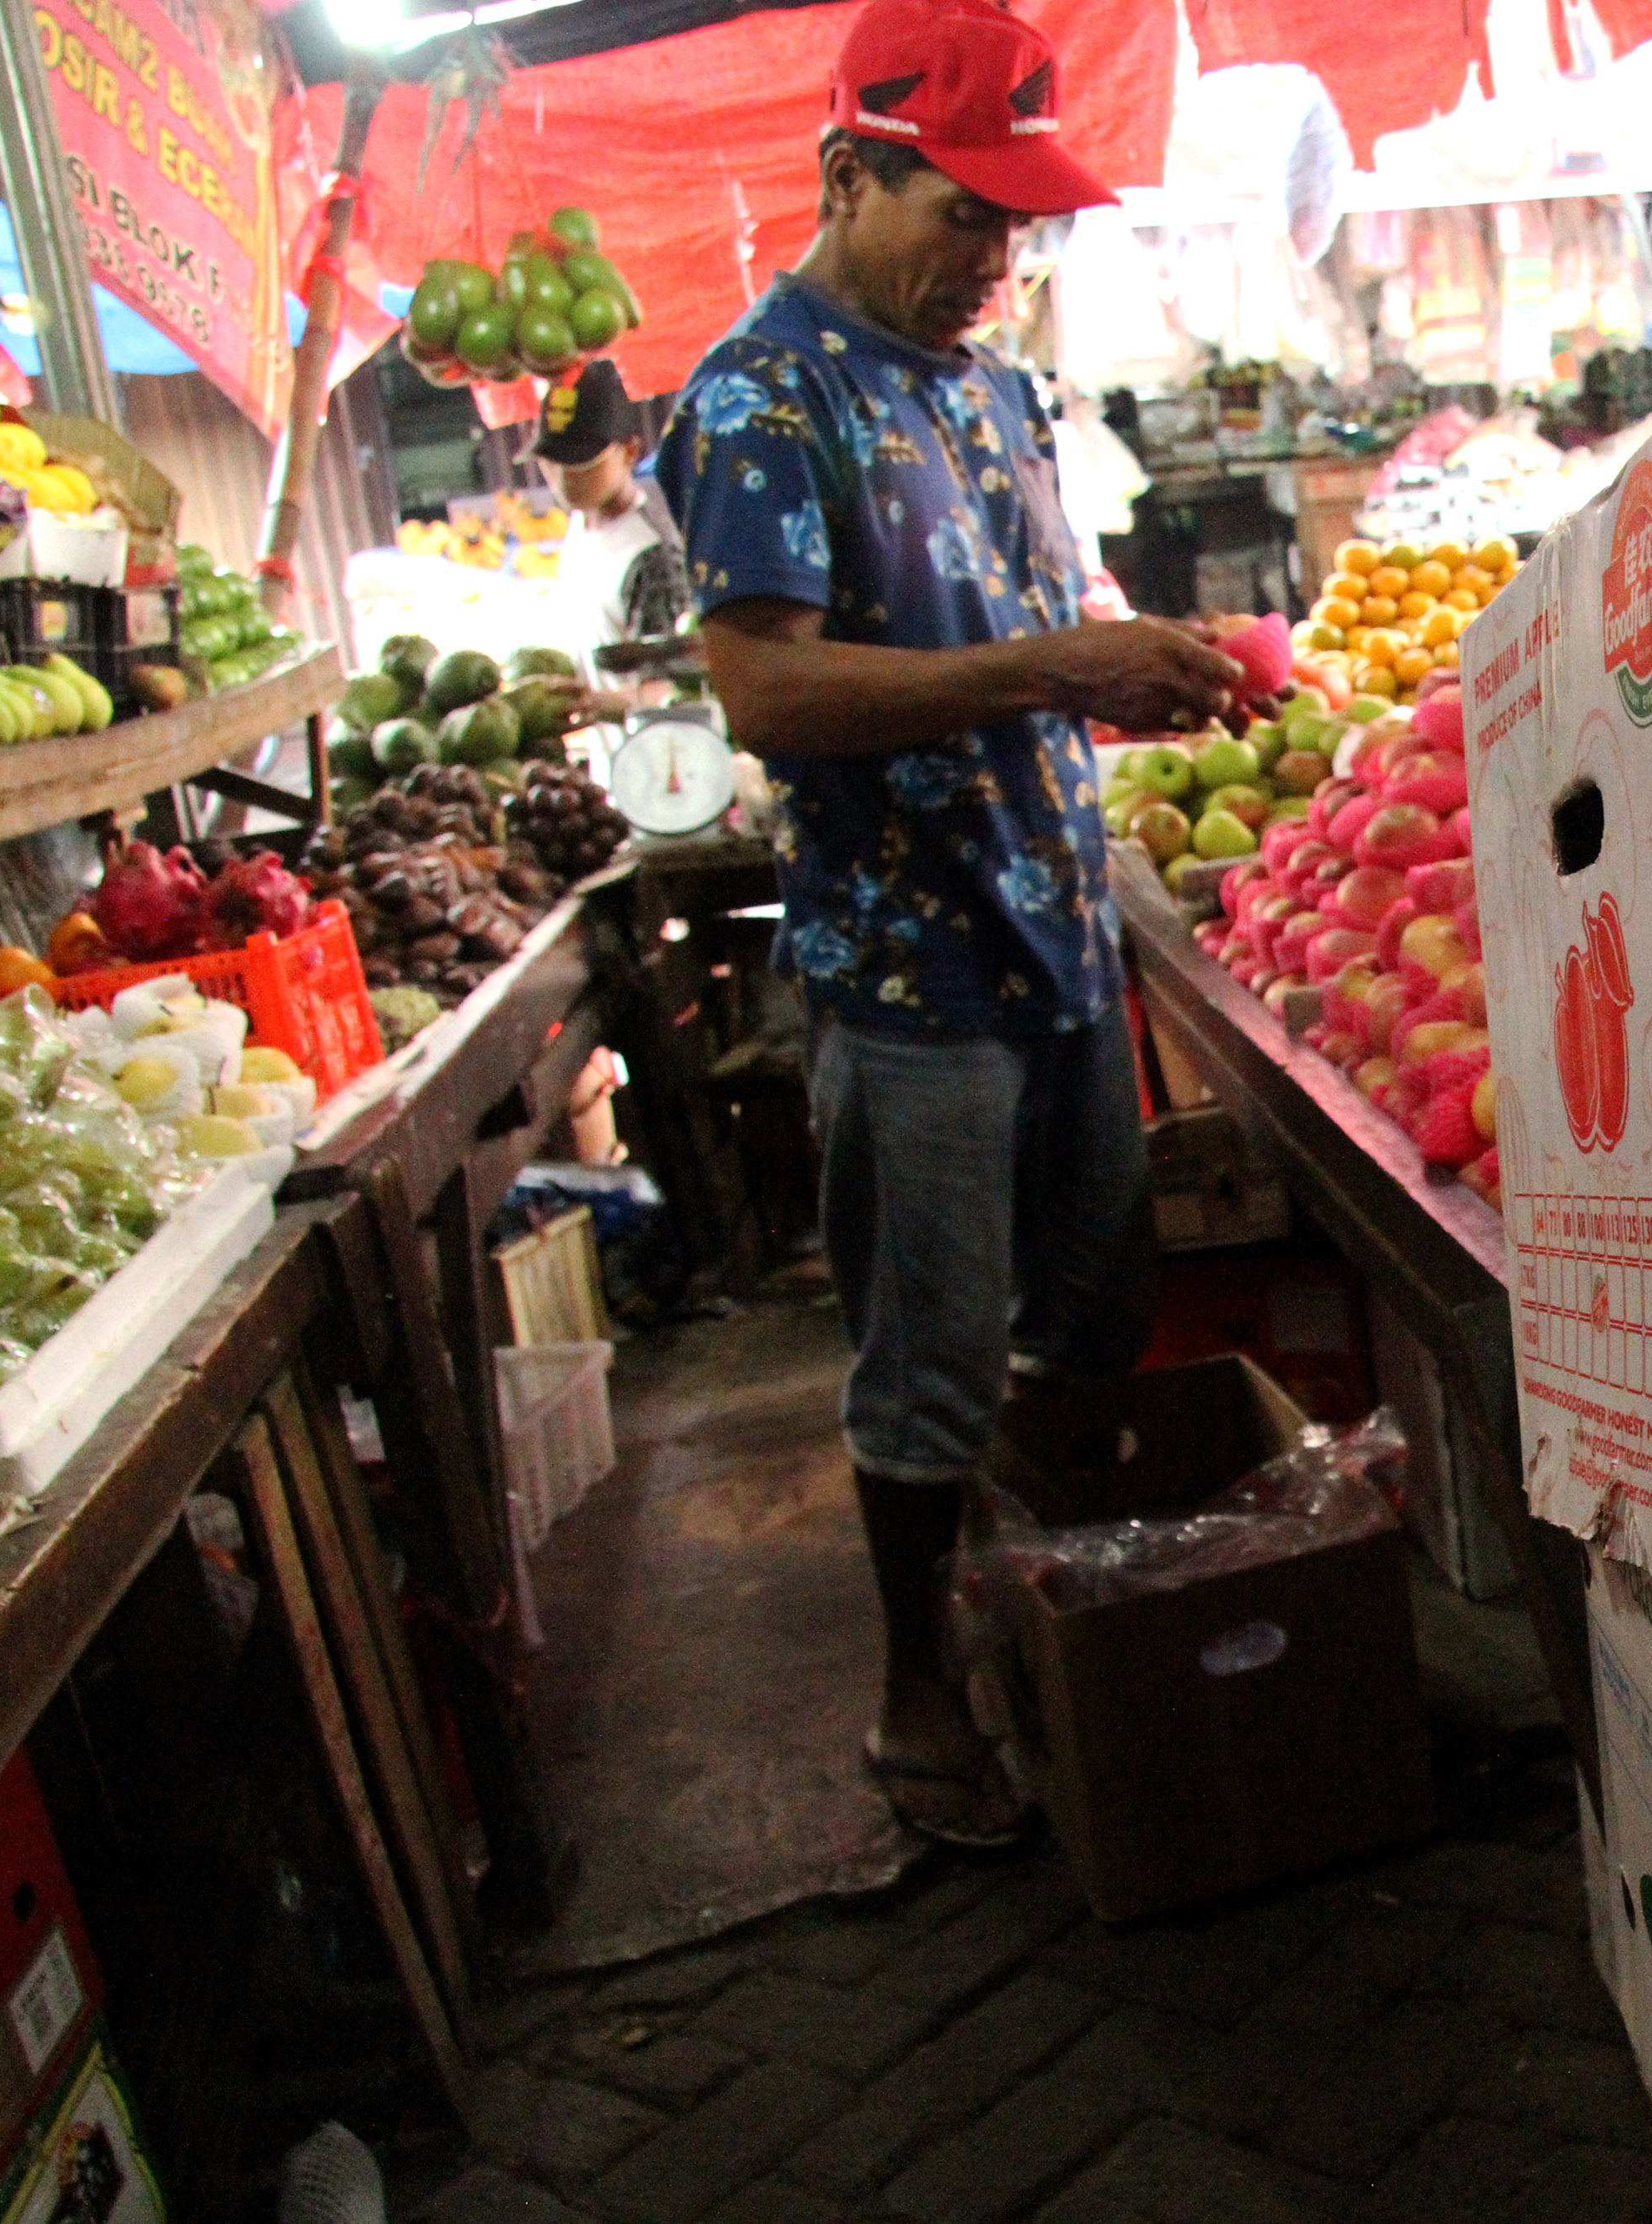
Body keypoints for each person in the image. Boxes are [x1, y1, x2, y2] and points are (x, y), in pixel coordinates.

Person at [658, 0, 1243, 1844]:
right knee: (924, 1352)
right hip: (911, 973)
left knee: (1091, 1311)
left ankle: (1059, 1616)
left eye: (1016, 222)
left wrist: (1120, 674)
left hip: (1060, 928)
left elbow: (1020, 623)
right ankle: (917, 1690)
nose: (995, 258)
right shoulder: (758, 399)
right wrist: (1048, 668)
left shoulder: (990, 388)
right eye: (960, 213)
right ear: (849, 170)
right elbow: (764, 692)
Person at [532, 359, 687, 689]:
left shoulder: (650, 555)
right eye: (551, 463)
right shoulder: (579, 525)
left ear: (630, 451)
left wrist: (594, 707)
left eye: (581, 464)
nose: (562, 479)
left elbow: (667, 694)